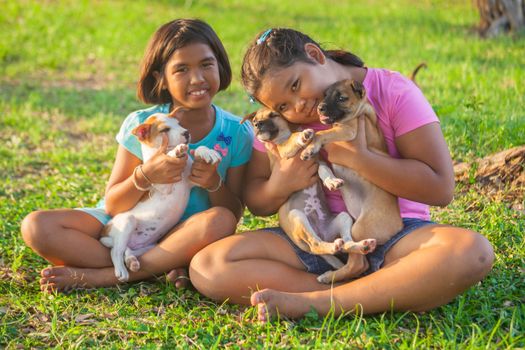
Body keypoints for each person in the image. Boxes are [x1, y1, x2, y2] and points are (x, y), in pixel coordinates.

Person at [189, 28, 494, 322]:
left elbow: (441, 188)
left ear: (314, 55)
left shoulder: (391, 90)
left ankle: (320, 302)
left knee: (471, 251)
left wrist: (362, 159)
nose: (299, 105)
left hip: (395, 236)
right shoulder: (279, 122)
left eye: (296, 85)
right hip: (314, 235)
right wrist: (281, 185)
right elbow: (257, 200)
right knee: (208, 266)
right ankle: (380, 290)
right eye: (283, 105)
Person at [21, 19, 253, 292]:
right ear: (161, 79)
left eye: (206, 64)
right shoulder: (141, 125)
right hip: (126, 225)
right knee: (37, 226)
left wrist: (213, 183)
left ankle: (107, 276)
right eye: (181, 69)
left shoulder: (237, 132)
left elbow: (233, 213)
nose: (197, 79)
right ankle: (157, 267)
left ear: (220, 66)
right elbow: (113, 205)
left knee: (220, 221)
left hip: (185, 236)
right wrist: (145, 175)